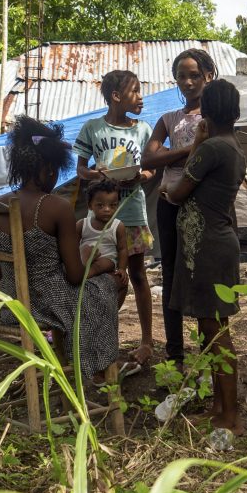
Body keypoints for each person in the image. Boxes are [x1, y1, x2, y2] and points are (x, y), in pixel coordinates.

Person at [0, 117, 126, 381]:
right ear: (49, 169)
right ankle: (94, 363)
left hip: (9, 304)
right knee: (112, 284)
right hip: (48, 304)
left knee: (97, 289)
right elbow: (75, 276)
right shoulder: (57, 206)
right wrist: (102, 265)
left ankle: (78, 353)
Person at [161, 79, 246, 436]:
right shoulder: (232, 146)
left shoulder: (211, 148)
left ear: (207, 113)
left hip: (209, 248)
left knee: (217, 333)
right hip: (209, 246)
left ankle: (231, 418)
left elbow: (179, 192)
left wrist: (166, 188)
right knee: (211, 330)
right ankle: (218, 407)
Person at [74, 70, 155, 369]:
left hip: (132, 212)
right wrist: (96, 175)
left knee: (137, 275)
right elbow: (81, 169)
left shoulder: (144, 130)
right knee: (102, 275)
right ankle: (97, 334)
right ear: (116, 97)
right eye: (135, 91)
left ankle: (146, 342)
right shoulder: (92, 129)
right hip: (102, 217)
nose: (141, 97)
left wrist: (141, 176)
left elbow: (151, 168)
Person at [143, 49, 217, 368]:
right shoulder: (168, 119)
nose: (187, 82)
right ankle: (174, 355)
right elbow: (148, 159)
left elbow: (213, 156)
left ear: (208, 77)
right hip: (168, 204)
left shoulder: (217, 118)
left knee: (202, 276)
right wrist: (190, 149)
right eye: (181, 77)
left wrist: (172, 153)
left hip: (202, 204)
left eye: (194, 75)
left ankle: (206, 353)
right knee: (171, 274)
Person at [77, 178, 128, 279]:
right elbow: (72, 245)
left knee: (104, 263)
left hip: (107, 260)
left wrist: (122, 268)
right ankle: (83, 267)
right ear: (90, 206)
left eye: (112, 205)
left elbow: (122, 249)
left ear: (118, 205)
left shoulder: (118, 226)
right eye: (100, 205)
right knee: (85, 249)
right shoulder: (82, 224)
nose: (107, 209)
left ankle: (86, 274)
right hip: (85, 258)